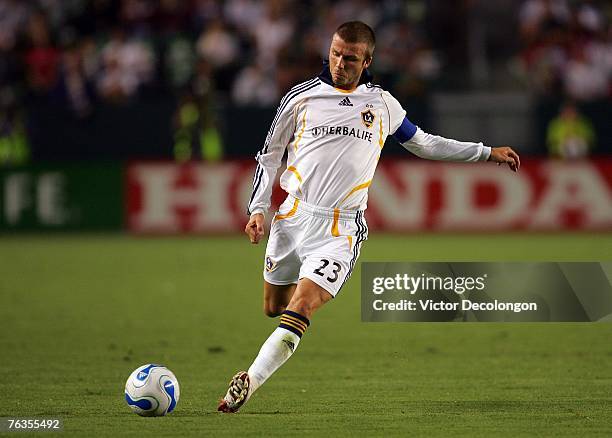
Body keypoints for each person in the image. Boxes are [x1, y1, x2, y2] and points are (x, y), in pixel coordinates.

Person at [218, 21, 520, 413]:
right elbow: (270, 155)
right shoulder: (300, 98)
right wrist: (258, 208)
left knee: (303, 305)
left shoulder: (381, 103)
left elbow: (424, 143)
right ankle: (286, 320)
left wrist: (484, 151)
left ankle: (248, 382)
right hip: (292, 218)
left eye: (351, 58)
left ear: (367, 61)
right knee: (274, 307)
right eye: (336, 52)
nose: (340, 62)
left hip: (340, 230)